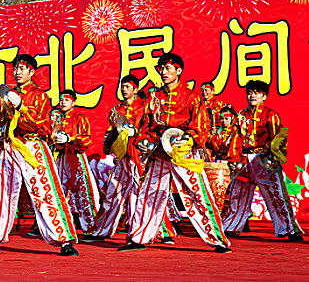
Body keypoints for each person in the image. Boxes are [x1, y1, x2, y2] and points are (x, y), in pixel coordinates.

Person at [122, 53, 231, 253]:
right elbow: (145, 124)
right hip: (159, 151)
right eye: (161, 69)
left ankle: (217, 240)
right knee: (149, 192)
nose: (163, 72)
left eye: (168, 68)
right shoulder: (154, 97)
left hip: (183, 152)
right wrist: (143, 141)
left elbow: (201, 125)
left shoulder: (191, 96)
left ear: (179, 70)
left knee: (198, 194)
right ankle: (139, 237)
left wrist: (189, 137)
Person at [0, 54, 79, 256]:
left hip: (33, 147)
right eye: (15, 68)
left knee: (46, 192)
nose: (17, 72)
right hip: (10, 147)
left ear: (32, 72)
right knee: (0, 193)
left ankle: (65, 240)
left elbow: (43, 126)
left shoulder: (40, 96)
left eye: (22, 68)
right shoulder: (6, 96)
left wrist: (21, 107)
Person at [222, 80, 303, 241]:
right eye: (250, 92)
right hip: (244, 159)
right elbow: (235, 138)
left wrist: (274, 156)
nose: (252, 95)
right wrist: (233, 158)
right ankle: (231, 226)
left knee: (276, 194)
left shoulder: (270, 115)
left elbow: (278, 138)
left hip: (263, 159)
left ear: (264, 96)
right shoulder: (241, 116)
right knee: (238, 194)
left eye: (257, 93)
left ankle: (289, 229)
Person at [82, 75, 146, 242]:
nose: (124, 90)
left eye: (127, 87)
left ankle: (137, 234)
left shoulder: (143, 108)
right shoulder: (116, 110)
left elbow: (147, 130)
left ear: (135, 89)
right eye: (122, 86)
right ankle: (102, 230)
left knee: (136, 195)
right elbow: (110, 132)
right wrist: (108, 146)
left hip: (137, 156)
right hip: (120, 157)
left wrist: (137, 134)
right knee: (112, 191)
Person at [52, 89, 100, 236]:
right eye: (61, 100)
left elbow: (87, 138)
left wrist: (70, 139)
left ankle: (90, 227)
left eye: (66, 100)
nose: (62, 102)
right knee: (58, 190)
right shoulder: (57, 119)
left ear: (73, 102)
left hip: (76, 156)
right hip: (60, 157)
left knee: (83, 190)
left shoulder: (79, 118)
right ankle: (59, 227)